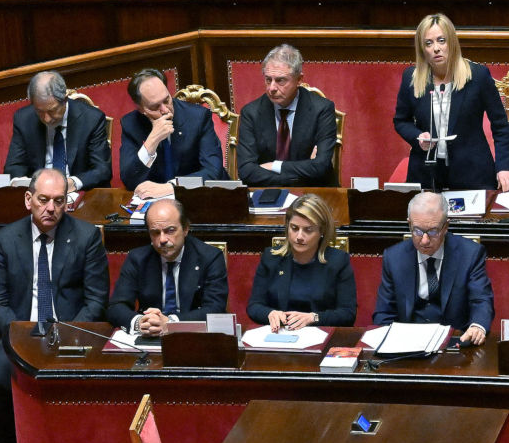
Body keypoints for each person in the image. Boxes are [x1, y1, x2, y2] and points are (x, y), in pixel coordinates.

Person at [0, 169, 109, 443]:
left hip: (72, 335)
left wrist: (66, 334)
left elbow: (96, 300)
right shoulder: (6, 239)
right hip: (20, 333)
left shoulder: (86, 237)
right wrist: (22, 334)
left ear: (67, 203)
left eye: (59, 201)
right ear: (28, 200)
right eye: (44, 200)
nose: (50, 208)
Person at [393, 13, 509, 192]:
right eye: (429, 43)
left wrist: (504, 167)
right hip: (427, 174)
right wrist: (418, 137)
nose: (436, 48)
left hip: (472, 173)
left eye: (441, 40)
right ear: (422, 49)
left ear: (452, 42)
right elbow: (401, 121)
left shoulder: (478, 76)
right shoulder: (411, 78)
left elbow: (501, 127)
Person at [373, 191, 494, 345]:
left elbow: (481, 300)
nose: (424, 240)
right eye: (417, 231)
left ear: (446, 227)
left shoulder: (470, 254)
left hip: (454, 341)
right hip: (408, 343)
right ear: (409, 223)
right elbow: (384, 313)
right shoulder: (394, 257)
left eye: (433, 231)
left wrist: (477, 326)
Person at [106, 199, 229, 335]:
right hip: (149, 334)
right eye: (155, 233)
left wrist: (171, 323)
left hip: (192, 335)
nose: (162, 239)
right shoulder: (138, 259)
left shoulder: (210, 257)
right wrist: (140, 321)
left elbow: (215, 309)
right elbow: (116, 307)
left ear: (186, 228)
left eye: (170, 231)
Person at [247, 193, 356, 329]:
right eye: (294, 228)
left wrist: (313, 317)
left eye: (308, 230)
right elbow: (254, 306)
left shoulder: (338, 261)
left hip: (319, 335)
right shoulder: (271, 258)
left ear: (321, 230)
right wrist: (270, 313)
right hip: (281, 335)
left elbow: (348, 313)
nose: (299, 236)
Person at [235, 44, 338, 186]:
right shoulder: (251, 113)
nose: (272, 88)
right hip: (267, 193)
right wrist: (302, 171)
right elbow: (246, 171)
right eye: (268, 79)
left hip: (313, 194)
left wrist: (274, 166)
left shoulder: (321, 110)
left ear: (299, 80)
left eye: (280, 80)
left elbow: (320, 166)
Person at [119, 69, 227, 198]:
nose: (165, 110)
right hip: (155, 203)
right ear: (141, 109)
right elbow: (129, 180)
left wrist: (171, 187)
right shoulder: (131, 124)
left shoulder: (198, 117)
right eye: (155, 107)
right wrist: (152, 141)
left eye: (166, 100)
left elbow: (213, 172)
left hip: (198, 196)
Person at [4, 70, 112, 191]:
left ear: (65, 99)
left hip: (78, 192)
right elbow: (14, 166)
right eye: (39, 111)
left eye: (52, 111)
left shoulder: (91, 119)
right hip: (40, 193)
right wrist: (22, 182)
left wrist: (72, 183)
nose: (46, 119)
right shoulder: (24, 119)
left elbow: (102, 170)